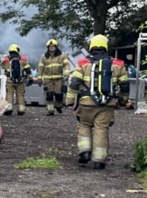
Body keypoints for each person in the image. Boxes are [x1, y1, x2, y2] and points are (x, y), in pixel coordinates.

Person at [65, 34, 130, 169]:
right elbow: (125, 86)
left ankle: (84, 152)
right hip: (107, 105)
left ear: (91, 46)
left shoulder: (83, 64)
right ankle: (99, 160)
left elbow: (74, 83)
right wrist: (123, 102)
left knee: (84, 125)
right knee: (101, 129)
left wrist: (70, 101)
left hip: (86, 104)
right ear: (106, 46)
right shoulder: (118, 65)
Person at [36, 39, 71, 116]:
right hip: (48, 80)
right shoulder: (44, 56)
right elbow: (41, 67)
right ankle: (50, 111)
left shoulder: (62, 55)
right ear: (47, 47)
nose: (51, 48)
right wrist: (39, 78)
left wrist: (67, 73)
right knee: (49, 95)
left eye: (53, 46)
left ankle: (58, 106)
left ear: (56, 47)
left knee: (59, 95)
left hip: (58, 79)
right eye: (50, 46)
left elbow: (66, 64)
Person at [2, 44, 32, 115]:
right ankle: (21, 110)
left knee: (9, 94)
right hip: (20, 80)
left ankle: (9, 109)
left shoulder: (6, 60)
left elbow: (2, 67)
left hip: (10, 80)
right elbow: (28, 70)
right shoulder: (23, 59)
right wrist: (30, 79)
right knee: (20, 94)